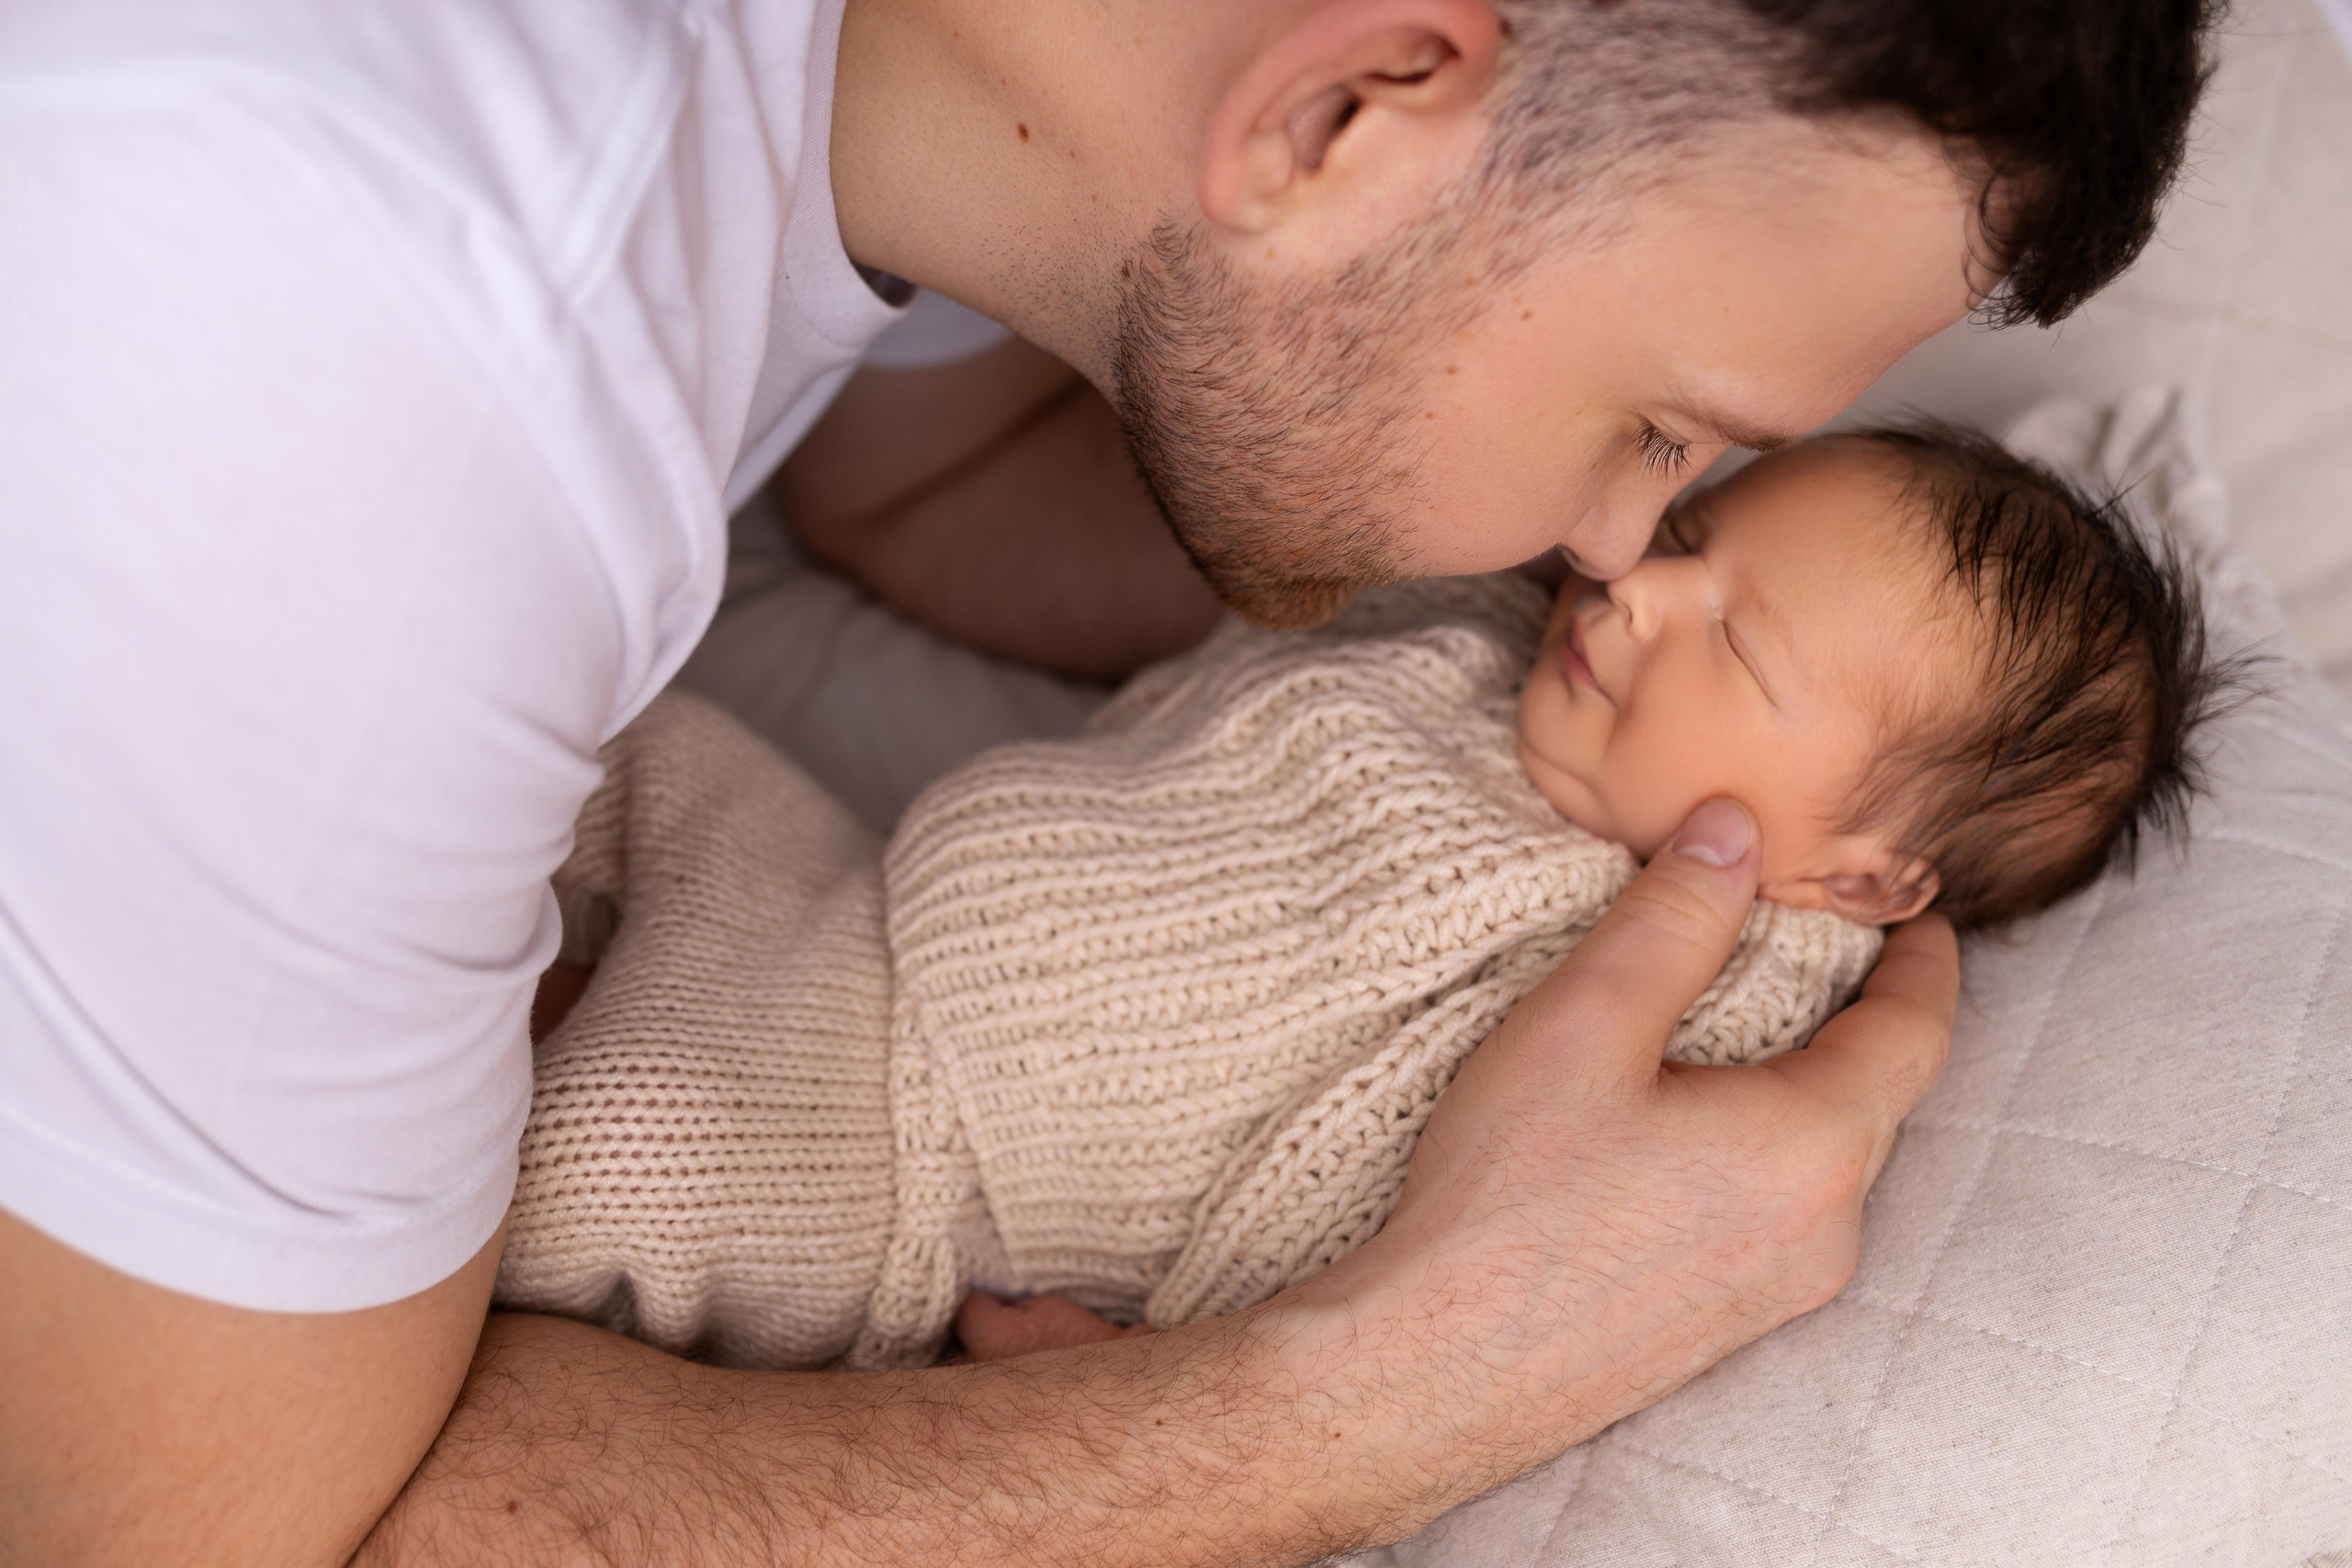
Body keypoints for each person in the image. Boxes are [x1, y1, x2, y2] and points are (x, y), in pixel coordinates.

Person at [0, 1, 2213, 1563]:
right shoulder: (331, 391)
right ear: (1343, 110)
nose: (1618, 551)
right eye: (1656, 426)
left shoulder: (974, 119)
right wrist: (1360, 1397)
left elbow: (928, 485)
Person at [492, 423, 2223, 1371]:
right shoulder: (1496, 635)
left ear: (1857, 871)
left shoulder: (1702, 978)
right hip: (849, 896)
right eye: (1690, 541)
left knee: (595, 1129)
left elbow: (1413, 1207)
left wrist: (1130, 1369)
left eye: (1734, 640)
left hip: (904, 1173)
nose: (1636, 597)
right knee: (595, 740)